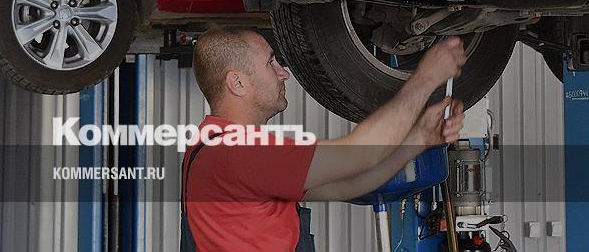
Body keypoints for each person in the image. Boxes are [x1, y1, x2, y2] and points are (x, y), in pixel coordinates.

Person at [181, 26, 467, 252]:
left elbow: (345, 186)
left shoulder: (215, 146)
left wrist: (418, 139)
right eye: (270, 62)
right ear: (237, 83)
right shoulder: (237, 152)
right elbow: (360, 154)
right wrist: (426, 77)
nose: (284, 73)